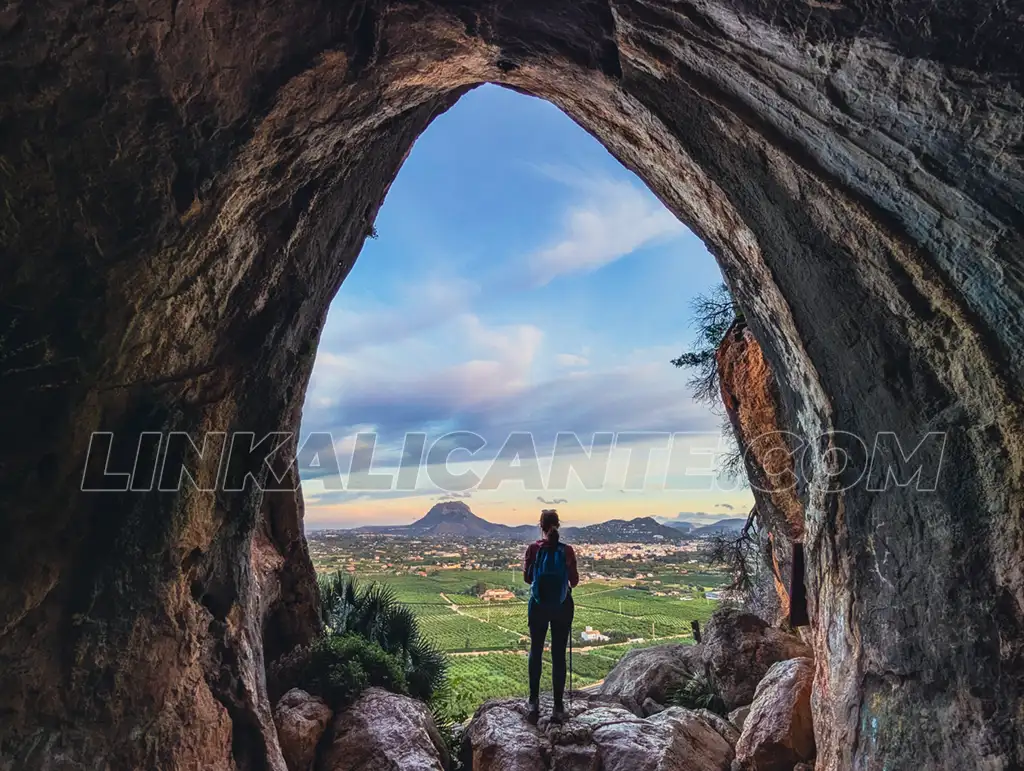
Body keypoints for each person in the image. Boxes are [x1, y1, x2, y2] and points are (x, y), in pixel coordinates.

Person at [522, 508, 579, 725]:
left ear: (541, 526)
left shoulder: (533, 550)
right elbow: (574, 581)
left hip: (537, 607)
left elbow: (528, 579)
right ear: (558, 525)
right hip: (562, 607)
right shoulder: (567, 551)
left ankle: (533, 702)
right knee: (558, 655)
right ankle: (558, 706)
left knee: (535, 651)